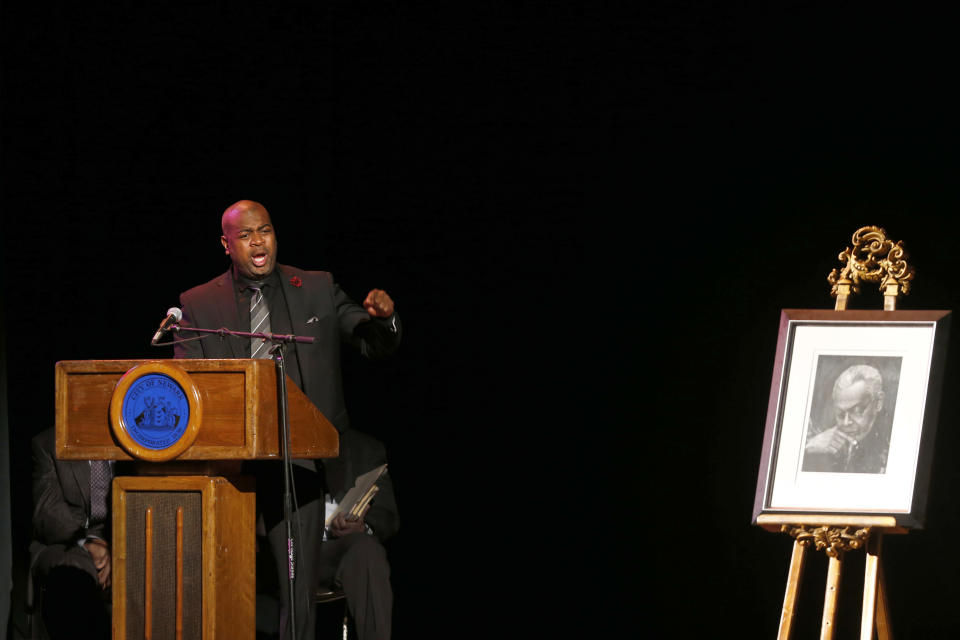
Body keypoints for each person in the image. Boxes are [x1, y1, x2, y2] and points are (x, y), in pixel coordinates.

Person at [173, 199, 401, 640]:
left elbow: (370, 342)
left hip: (301, 466)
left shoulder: (315, 286)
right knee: (226, 596)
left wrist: (384, 320)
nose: (258, 241)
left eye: (266, 230)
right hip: (231, 474)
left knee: (298, 605)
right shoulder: (198, 304)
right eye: (246, 235)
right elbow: (190, 385)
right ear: (226, 244)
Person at [29, 427, 114, 640]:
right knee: (71, 573)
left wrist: (117, 548)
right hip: (67, 539)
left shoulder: (139, 436)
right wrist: (87, 542)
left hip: (122, 536)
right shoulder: (47, 443)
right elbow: (47, 512)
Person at [803, 364, 891, 474]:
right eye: (840, 414)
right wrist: (808, 449)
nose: (845, 423)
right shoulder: (820, 444)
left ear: (878, 403)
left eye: (856, 410)